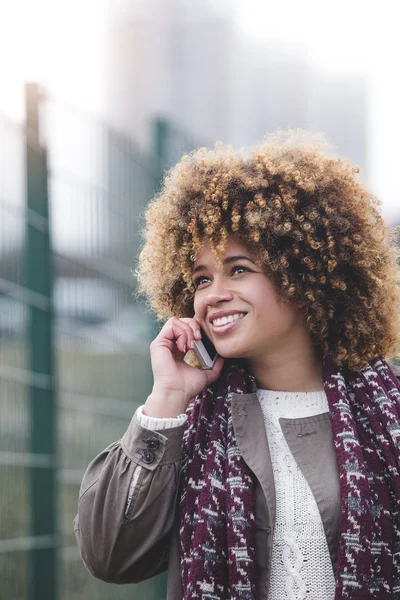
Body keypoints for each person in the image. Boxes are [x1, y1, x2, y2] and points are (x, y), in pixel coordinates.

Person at [74, 130, 400, 600]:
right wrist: (167, 398)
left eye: (239, 269)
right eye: (201, 278)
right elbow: (111, 556)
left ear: (304, 275)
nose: (213, 294)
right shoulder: (186, 423)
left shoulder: (385, 411)